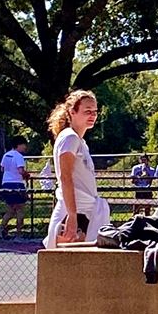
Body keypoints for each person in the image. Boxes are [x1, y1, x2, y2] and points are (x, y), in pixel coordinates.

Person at [43, 91, 109, 247]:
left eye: (95, 112)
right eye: (87, 111)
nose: (93, 115)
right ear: (72, 112)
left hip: (85, 211)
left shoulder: (79, 141)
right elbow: (65, 177)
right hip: (76, 212)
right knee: (71, 260)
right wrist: (72, 217)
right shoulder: (70, 137)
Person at [0, 136, 30, 238]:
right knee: (20, 209)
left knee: (10, 209)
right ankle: (18, 233)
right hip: (16, 183)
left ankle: (1, 227)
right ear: (19, 145)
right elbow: (20, 170)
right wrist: (26, 175)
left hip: (6, 183)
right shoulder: (18, 156)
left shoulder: (6, 155)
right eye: (24, 145)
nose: (25, 147)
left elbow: (2, 168)